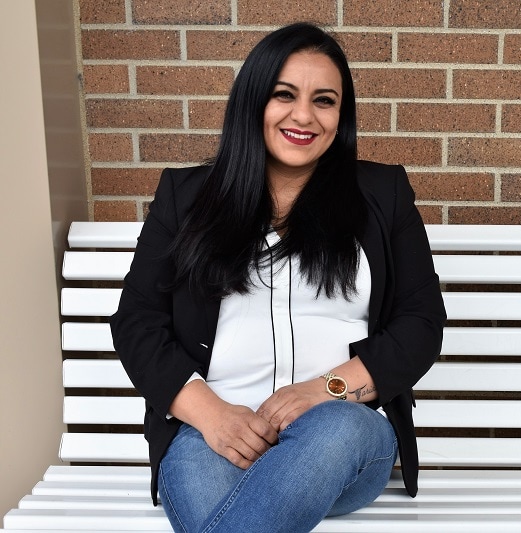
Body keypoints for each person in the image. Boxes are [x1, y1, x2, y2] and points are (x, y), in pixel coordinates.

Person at [110, 22, 446, 532]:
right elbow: (137, 321)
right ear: (253, 102)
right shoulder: (186, 197)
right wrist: (211, 416)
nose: (304, 116)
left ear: (342, 115)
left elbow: (420, 323)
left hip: (345, 432)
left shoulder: (382, 193)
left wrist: (325, 390)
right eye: (284, 95)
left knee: (334, 431)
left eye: (325, 101)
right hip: (211, 433)